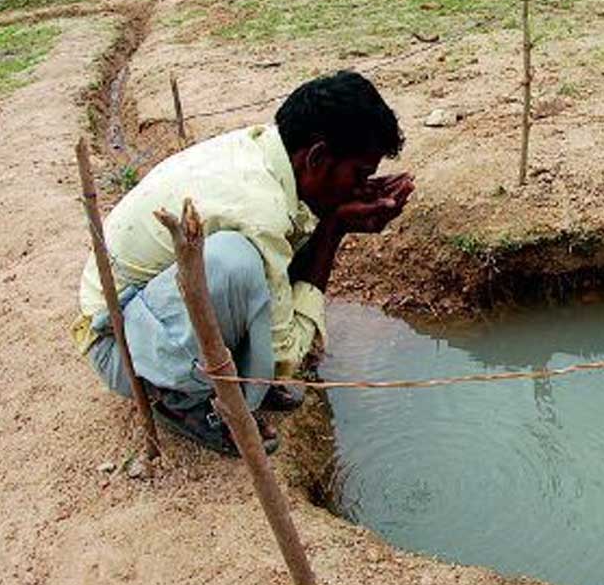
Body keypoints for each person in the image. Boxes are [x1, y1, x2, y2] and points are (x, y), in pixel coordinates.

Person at [72, 70, 414, 455]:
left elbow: (280, 267)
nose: (361, 187)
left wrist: (332, 210)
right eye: (360, 174)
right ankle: (179, 397)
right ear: (317, 157)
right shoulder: (259, 209)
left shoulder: (263, 148)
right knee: (235, 261)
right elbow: (286, 356)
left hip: (146, 313)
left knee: (257, 260)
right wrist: (333, 229)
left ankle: (227, 375)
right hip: (119, 347)